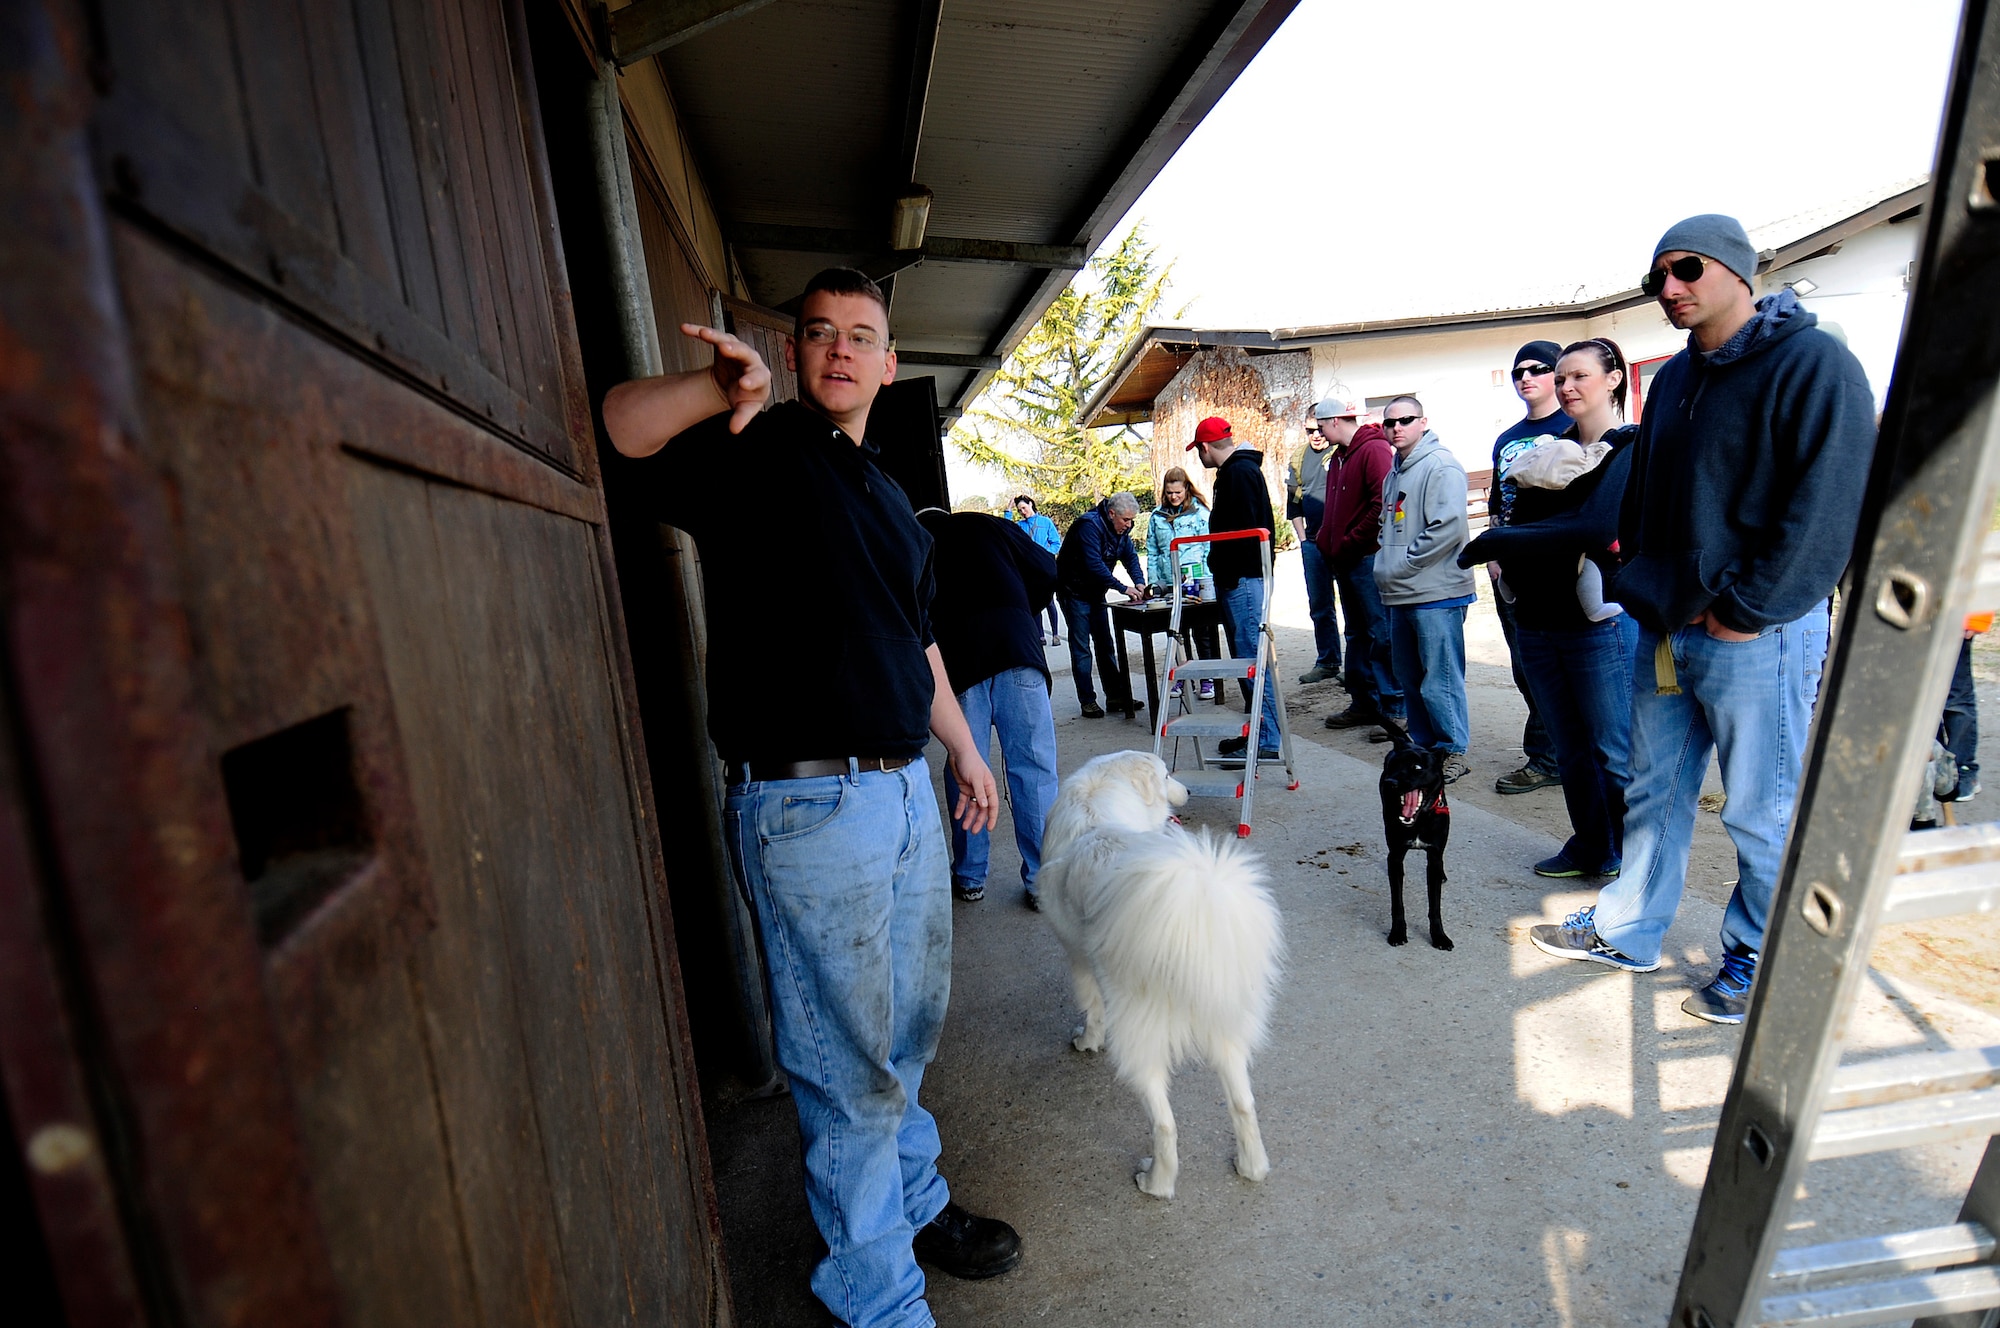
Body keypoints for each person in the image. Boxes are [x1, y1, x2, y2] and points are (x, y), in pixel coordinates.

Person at [601, 267, 1019, 1327]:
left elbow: (916, 640)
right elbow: (620, 426)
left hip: (903, 793)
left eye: (861, 335)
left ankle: (914, 1202)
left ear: (888, 362)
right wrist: (711, 387)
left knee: (905, 1035)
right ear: (794, 354)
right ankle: (875, 1297)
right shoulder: (756, 444)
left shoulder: (887, 495)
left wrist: (963, 752)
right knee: (846, 1068)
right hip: (807, 804)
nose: (839, 349)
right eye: (818, 332)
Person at [1529, 215, 1877, 1025]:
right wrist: (1641, 584)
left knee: (1763, 806)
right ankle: (1630, 929)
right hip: (1669, 627)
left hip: (1760, 631)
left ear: (1738, 270)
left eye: (1686, 268)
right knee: (1657, 790)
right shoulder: (1680, 378)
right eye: (1658, 279)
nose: (1670, 289)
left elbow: (1829, 506)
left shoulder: (1815, 361)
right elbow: (1650, 495)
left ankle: (1765, 956)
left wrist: (1748, 610)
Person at [1461, 339, 1640, 880]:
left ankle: (1634, 861)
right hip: (1537, 620)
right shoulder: (1550, 448)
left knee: (1614, 750)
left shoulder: (1630, 447)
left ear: (1613, 379)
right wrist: (1520, 540)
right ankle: (1592, 846)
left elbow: (1596, 527)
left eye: (1578, 375)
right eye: (1560, 378)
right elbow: (1518, 519)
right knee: (1569, 750)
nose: (1566, 386)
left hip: (1596, 626)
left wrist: (1502, 545)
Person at [917, 508, 1061, 909]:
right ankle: (1042, 881)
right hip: (1018, 649)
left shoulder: (917, 540)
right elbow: (1046, 569)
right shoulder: (989, 524)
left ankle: (969, 875)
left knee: (966, 768)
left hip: (959, 661)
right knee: (1034, 769)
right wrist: (1016, 608)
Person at [1374, 397, 1475, 783]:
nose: (1397, 427)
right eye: (1390, 422)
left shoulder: (1440, 465)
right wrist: (1390, 565)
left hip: (1436, 591)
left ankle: (1452, 749)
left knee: (1440, 676)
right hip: (1401, 592)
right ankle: (1423, 745)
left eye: (1406, 420)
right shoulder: (1395, 472)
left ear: (1423, 422)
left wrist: (1406, 562)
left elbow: (1447, 526)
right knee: (1409, 675)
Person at [1488, 340, 1572, 795]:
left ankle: (1560, 756)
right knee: (1528, 668)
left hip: (1561, 572)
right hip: (1514, 573)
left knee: (1570, 668)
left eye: (1538, 369)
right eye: (1519, 370)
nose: (1527, 377)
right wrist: (1496, 558)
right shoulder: (1506, 438)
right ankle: (1546, 756)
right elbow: (1498, 503)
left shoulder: (1575, 427)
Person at [1188, 416, 1282, 762]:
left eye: (1199, 451)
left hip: (1241, 579)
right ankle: (1260, 732)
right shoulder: (1236, 472)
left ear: (1205, 447)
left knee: (1251, 661)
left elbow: (1242, 531)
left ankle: (1268, 739)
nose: (1200, 457)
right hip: (1240, 577)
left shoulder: (1238, 474)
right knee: (1247, 661)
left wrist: (1225, 572)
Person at [1315, 401, 1405, 733]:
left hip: (1365, 556)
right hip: (1346, 557)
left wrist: (1351, 540)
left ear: (1335, 420)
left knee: (1380, 632)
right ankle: (1365, 702)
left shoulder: (1373, 450)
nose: (1319, 433)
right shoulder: (1340, 456)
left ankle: (1394, 705)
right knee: (1356, 632)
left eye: (1321, 425)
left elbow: (1382, 503)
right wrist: (1328, 539)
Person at [1055, 492, 1146, 718]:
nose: (1129, 524)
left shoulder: (1121, 530)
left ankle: (1115, 696)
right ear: (1111, 513)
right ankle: (1088, 701)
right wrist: (1123, 588)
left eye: (1132, 520)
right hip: (1073, 592)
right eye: (1126, 520)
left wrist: (1140, 583)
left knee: (1105, 645)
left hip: (1096, 594)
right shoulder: (1088, 526)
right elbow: (1093, 565)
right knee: (1082, 649)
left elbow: (1130, 557)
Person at [1145, 466, 1217, 701]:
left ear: (1186, 489)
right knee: (1175, 632)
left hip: (1196, 579)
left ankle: (1207, 679)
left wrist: (1207, 578)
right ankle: (1182, 677)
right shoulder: (1156, 517)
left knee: (1202, 632)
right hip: (1170, 582)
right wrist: (1154, 582)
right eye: (1169, 493)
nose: (1174, 497)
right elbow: (1153, 551)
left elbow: (1208, 545)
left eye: (1177, 492)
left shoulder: (1199, 513)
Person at [1289, 403, 1343, 685]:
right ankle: (1328, 661)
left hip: (1344, 542)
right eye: (1310, 430)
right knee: (1320, 605)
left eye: (1320, 429)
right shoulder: (1299, 457)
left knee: (1354, 603)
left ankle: (1361, 667)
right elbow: (1293, 503)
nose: (1317, 435)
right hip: (1313, 543)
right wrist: (1303, 540)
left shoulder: (1340, 450)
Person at [1012, 495, 1064, 646]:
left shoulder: (1045, 522)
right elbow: (1006, 530)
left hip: (1045, 567)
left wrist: (1046, 555)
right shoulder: (1019, 526)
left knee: (1049, 601)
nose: (1022, 512)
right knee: (1034, 603)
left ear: (1030, 504)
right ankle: (1040, 635)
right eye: (1019, 510)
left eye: (1024, 508)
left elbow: (1056, 543)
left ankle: (1055, 634)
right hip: (1028, 570)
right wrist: (1007, 511)